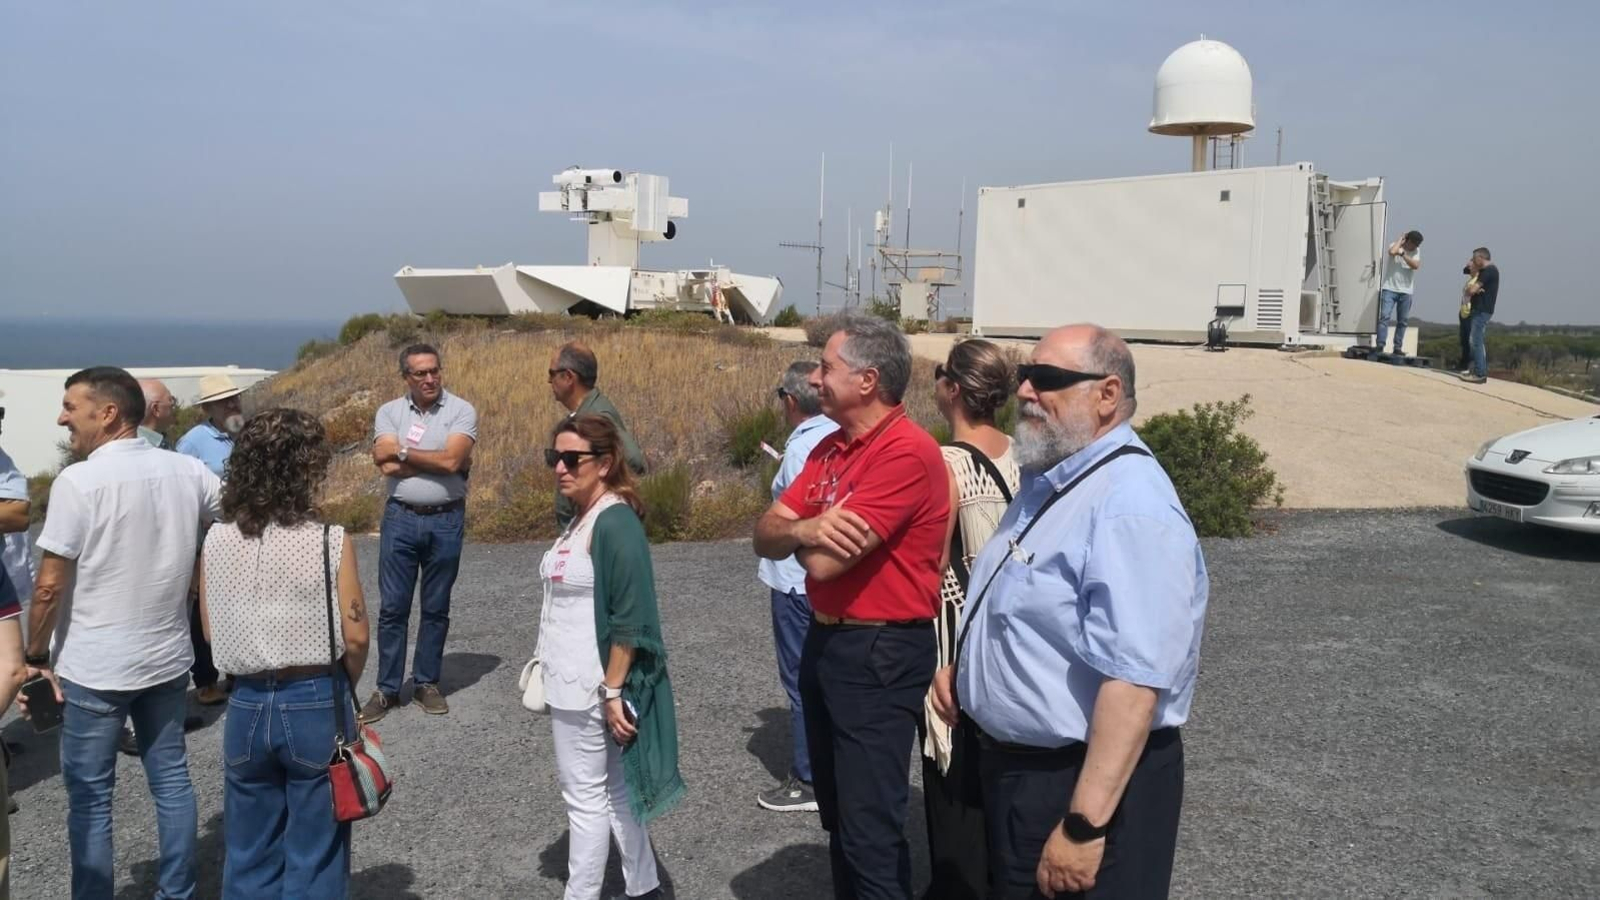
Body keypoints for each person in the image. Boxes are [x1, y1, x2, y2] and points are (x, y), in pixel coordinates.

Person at [930, 325, 1208, 899]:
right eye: (1024, 376)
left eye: (1048, 379)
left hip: (1080, 787)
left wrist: (1083, 827)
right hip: (1019, 774)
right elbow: (1032, 609)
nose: (1026, 390)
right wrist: (972, 672)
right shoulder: (1055, 477)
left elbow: (1134, 683)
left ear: (1107, 395)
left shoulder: (1130, 506)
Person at [753, 312, 951, 899]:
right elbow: (766, 533)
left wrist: (800, 532)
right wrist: (809, 528)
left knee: (869, 828)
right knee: (841, 817)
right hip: (830, 640)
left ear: (867, 380)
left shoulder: (905, 453)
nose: (815, 377)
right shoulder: (831, 450)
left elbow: (821, 563)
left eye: (827, 367)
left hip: (880, 649)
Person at [19, 366, 221, 899]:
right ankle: (177, 893)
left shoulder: (78, 481)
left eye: (70, 406)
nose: (62, 417)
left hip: (95, 664)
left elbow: (47, 587)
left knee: (90, 798)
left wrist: (35, 655)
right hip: (167, 657)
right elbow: (237, 516)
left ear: (108, 414)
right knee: (172, 781)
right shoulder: (188, 471)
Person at [199, 408, 369, 898]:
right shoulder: (327, 540)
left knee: (249, 850)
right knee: (317, 852)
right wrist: (343, 685)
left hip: (247, 701)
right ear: (306, 469)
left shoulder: (216, 539)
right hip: (314, 694)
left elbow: (211, 632)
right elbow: (356, 636)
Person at [538, 414, 683, 900]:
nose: (560, 467)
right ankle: (644, 887)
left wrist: (613, 690)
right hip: (576, 681)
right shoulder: (584, 515)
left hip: (589, 685)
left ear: (603, 463)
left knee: (584, 800)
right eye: (553, 457)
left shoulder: (614, 520)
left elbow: (631, 617)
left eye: (571, 459)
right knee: (615, 792)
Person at [921, 339, 1021, 899]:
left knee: (953, 777)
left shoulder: (944, 463)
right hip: (1011, 632)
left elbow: (934, 566)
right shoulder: (1026, 452)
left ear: (952, 389)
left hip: (957, 631)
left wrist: (934, 653)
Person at [362, 343, 477, 722]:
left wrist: (407, 453)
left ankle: (427, 682)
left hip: (446, 520)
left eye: (434, 371)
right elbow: (385, 463)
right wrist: (438, 462)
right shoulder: (389, 412)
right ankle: (387, 688)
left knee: (436, 605)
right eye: (420, 373)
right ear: (406, 378)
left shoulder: (461, 410)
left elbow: (453, 459)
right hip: (401, 519)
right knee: (393, 607)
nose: (430, 379)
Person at [754, 362, 838, 813]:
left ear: (790, 401)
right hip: (826, 580)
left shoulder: (802, 447)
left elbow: (792, 520)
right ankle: (831, 769)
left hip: (793, 580)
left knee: (800, 680)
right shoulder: (836, 439)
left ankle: (808, 778)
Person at [548, 340, 647, 529]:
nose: (549, 381)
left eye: (552, 374)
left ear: (568, 377)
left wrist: (600, 495)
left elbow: (634, 459)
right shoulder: (586, 412)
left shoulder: (596, 416)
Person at [175, 373, 246, 477]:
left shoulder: (251, 432)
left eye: (234, 398)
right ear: (207, 408)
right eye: (222, 401)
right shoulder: (192, 442)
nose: (231, 405)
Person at [1376, 230, 1423, 357]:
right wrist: (1400, 239)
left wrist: (1403, 254)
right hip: (1389, 288)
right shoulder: (1395, 245)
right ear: (1407, 241)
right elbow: (1391, 252)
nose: (1415, 247)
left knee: (1402, 321)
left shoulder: (1416, 252)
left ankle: (1397, 347)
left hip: (1406, 291)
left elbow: (1416, 265)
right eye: (1413, 244)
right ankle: (1380, 345)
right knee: (1384, 317)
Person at [1462, 248, 1500, 384]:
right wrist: (1473, 290)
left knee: (1476, 341)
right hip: (1479, 309)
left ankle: (1480, 373)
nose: (1473, 261)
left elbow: (1471, 289)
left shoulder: (1489, 271)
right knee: (1475, 341)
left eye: (1474, 258)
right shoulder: (1487, 271)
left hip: (1482, 310)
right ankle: (1476, 370)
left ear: (1481, 258)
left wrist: (1471, 290)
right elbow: (1473, 290)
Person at [138, 378, 178, 449]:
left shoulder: (162, 443)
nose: (173, 404)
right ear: (156, 409)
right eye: (170, 399)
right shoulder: (141, 448)